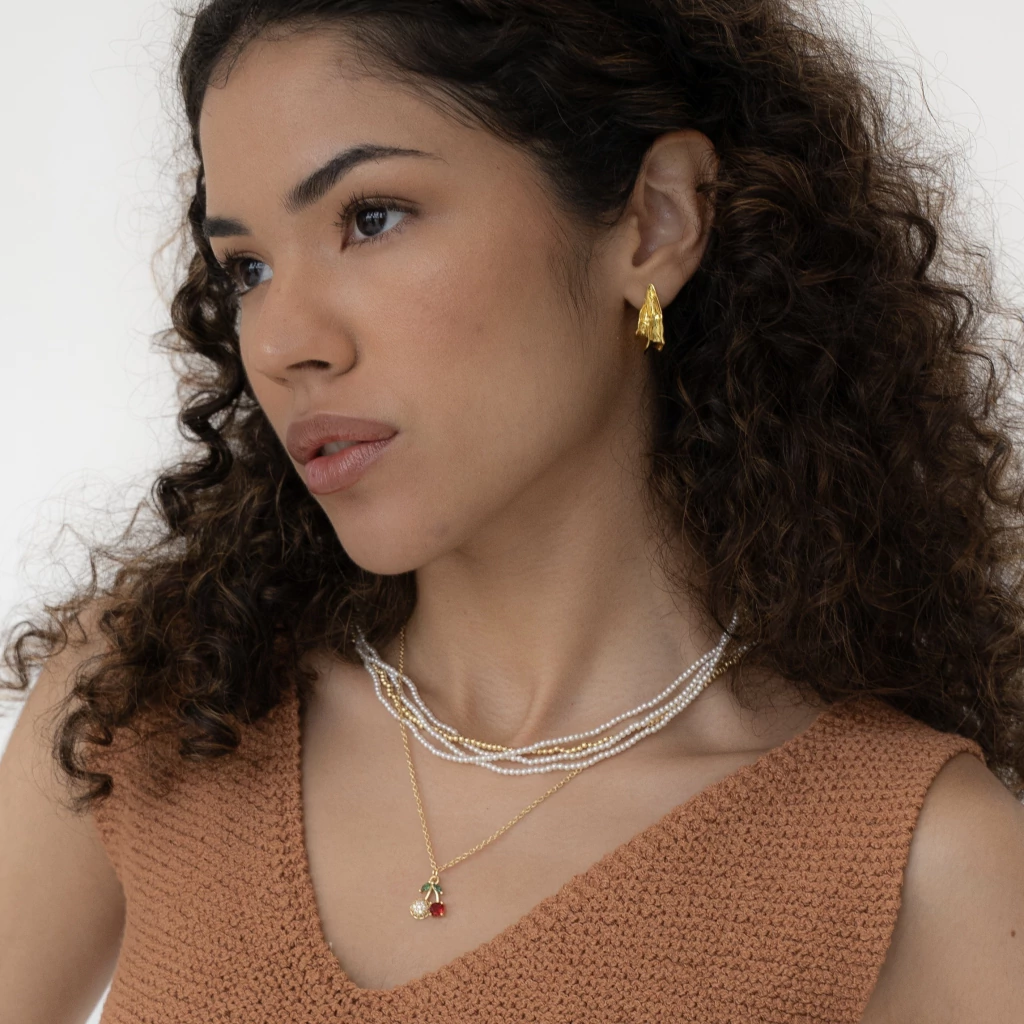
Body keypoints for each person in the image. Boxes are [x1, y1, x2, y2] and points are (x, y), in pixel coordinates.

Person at [2, 0, 1023, 1020]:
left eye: (371, 217)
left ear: (656, 221)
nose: (280, 343)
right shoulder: (147, 703)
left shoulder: (922, 867)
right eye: (248, 269)